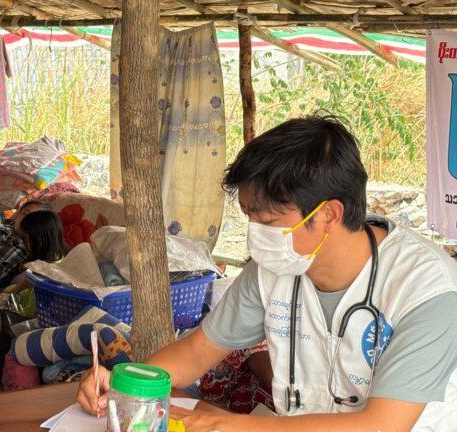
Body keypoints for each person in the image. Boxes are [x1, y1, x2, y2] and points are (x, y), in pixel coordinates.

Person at [77, 115, 457, 431]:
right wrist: (128, 381)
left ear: (328, 215)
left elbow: (384, 424)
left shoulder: (426, 291)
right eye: (248, 217)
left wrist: (238, 426)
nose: (256, 233)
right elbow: (196, 352)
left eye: (269, 220)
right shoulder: (276, 268)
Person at [0, 200, 50, 302]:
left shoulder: (23, 249)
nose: (26, 220)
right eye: (25, 213)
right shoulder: (7, 225)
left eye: (33, 219)